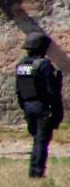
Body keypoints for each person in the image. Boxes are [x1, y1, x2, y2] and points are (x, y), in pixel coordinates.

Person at [16, 31, 64, 179]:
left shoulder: (21, 65)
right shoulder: (43, 65)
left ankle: (34, 170)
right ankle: (36, 172)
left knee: (37, 139)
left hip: (27, 106)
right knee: (41, 141)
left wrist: (24, 107)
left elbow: (18, 90)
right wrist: (57, 111)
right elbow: (51, 92)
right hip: (41, 107)